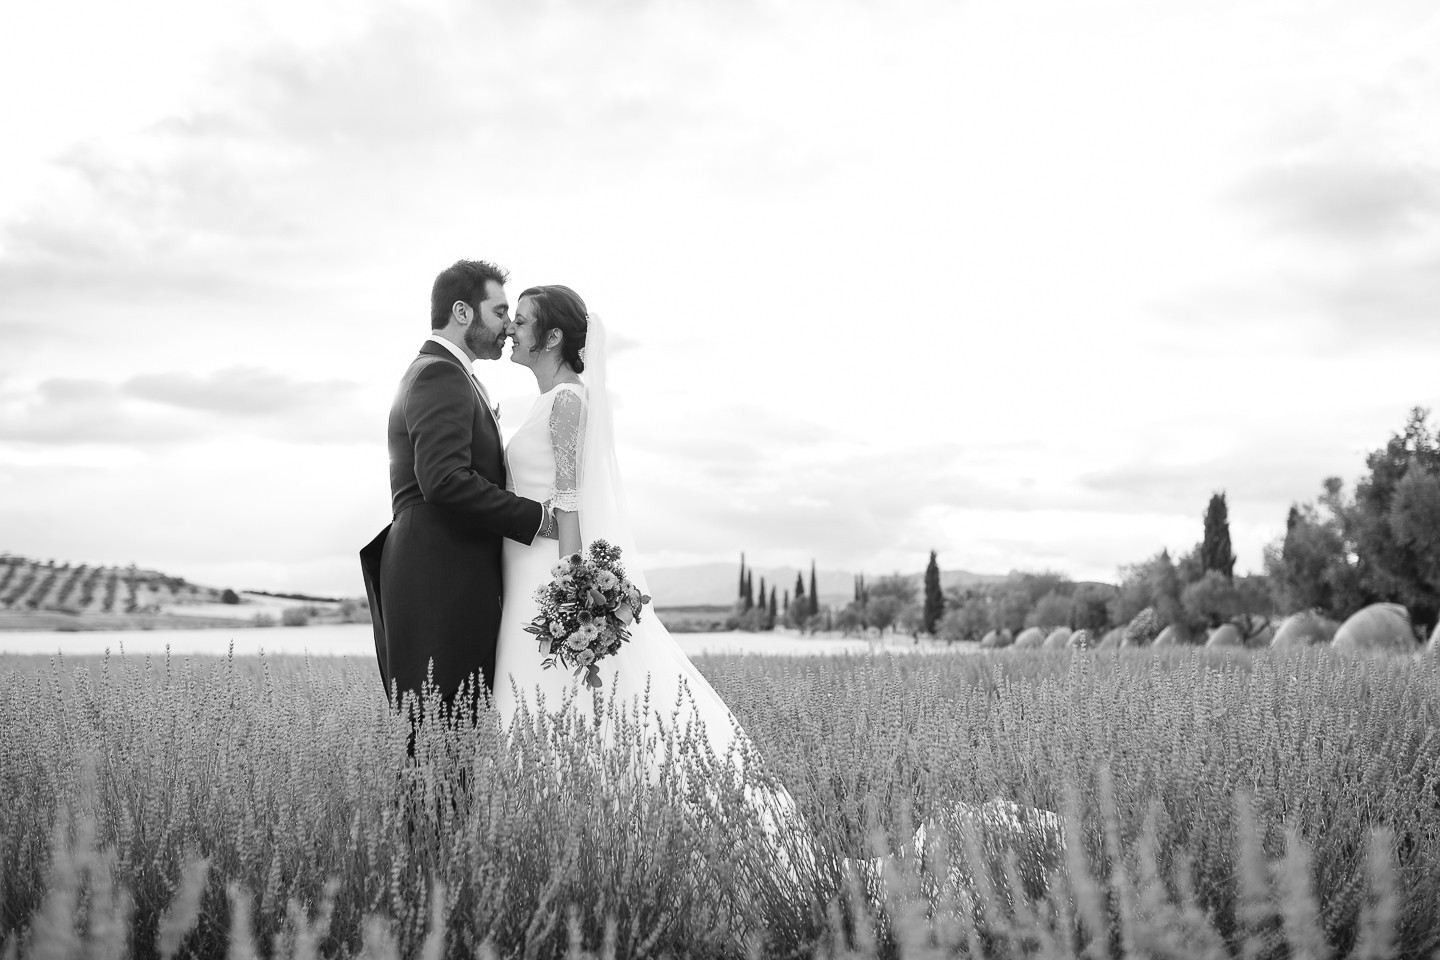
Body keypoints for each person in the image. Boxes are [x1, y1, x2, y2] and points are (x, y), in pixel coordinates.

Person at [360, 260, 556, 739]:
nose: (508, 326)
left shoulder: (447, 372)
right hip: (437, 585)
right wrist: (539, 519)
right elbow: (444, 480)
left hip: (446, 579)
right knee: (435, 745)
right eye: (500, 311)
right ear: (463, 312)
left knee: (450, 749)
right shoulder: (439, 375)